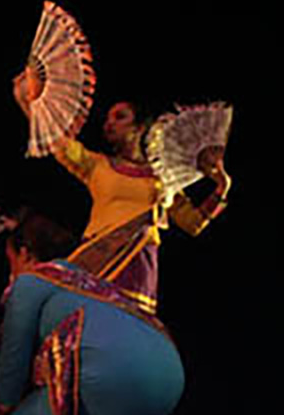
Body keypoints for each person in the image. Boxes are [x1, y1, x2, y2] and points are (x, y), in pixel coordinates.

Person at [14, 80, 231, 315]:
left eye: (120, 117)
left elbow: (193, 223)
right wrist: (29, 103)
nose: (109, 123)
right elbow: (55, 140)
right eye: (108, 119)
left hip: (137, 263)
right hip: (96, 256)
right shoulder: (97, 165)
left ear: (139, 127)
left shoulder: (163, 177)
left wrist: (222, 187)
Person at [0, 214, 186, 415]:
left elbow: (13, 363)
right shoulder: (94, 282)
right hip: (168, 380)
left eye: (11, 260)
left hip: (111, 380)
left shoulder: (31, 281)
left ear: (25, 254)